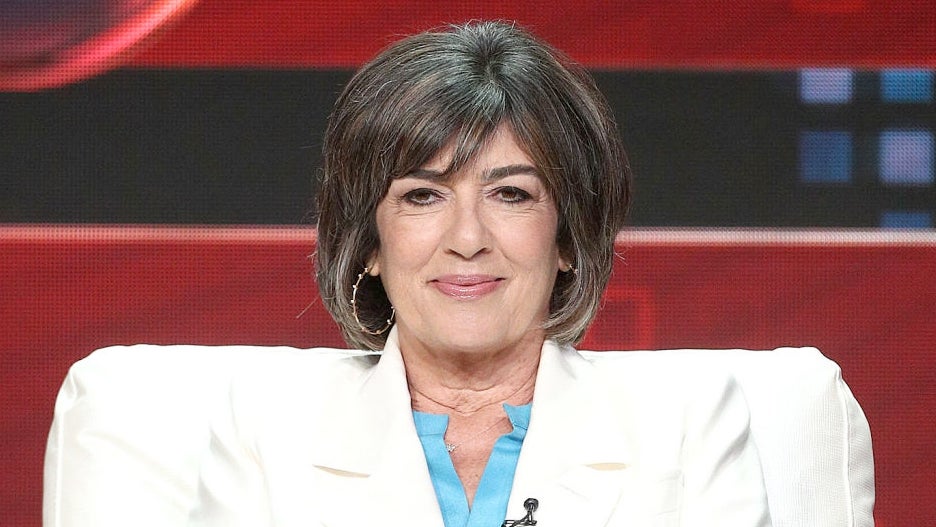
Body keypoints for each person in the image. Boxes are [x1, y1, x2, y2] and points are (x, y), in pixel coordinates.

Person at [187, 20, 771, 527]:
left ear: (568, 237)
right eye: (422, 196)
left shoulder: (689, 419)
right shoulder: (265, 426)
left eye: (511, 194)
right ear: (369, 244)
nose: (468, 240)